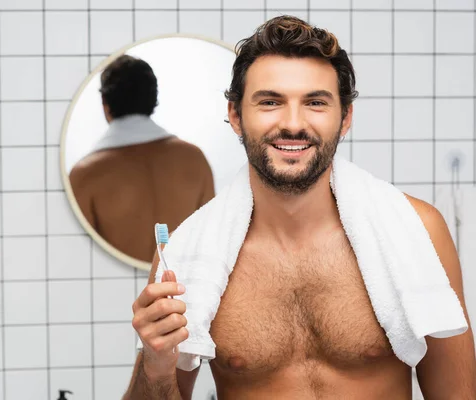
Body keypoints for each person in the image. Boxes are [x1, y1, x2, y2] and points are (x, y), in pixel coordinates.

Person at [123, 15, 476, 399]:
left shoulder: (416, 230)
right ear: (236, 116)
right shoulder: (184, 256)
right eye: (271, 101)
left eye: (315, 102)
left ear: (345, 118)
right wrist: (155, 368)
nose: (293, 123)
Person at [69, 55, 215, 263]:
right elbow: (210, 240)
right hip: (182, 288)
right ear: (153, 98)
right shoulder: (194, 158)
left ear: (105, 104)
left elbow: (80, 256)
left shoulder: (85, 174)